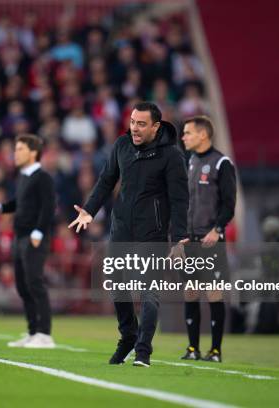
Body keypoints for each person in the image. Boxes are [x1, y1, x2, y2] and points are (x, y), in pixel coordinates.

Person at [68, 102, 189, 367]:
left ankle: (143, 351)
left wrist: (180, 238)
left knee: (149, 293)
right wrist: (89, 209)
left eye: (141, 124)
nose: (134, 128)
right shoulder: (122, 146)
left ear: (156, 127)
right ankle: (128, 337)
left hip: (152, 234)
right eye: (132, 122)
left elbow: (180, 200)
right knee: (116, 286)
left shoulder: (171, 156)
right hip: (121, 229)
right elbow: (106, 180)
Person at [0, 134, 56, 348]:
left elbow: (48, 207)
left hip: (33, 238)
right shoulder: (24, 177)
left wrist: (38, 233)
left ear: (33, 152)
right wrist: (1, 208)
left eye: (19, 149)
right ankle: (33, 331)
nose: (14, 153)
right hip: (20, 238)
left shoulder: (43, 177)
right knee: (22, 286)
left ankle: (45, 334)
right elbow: (19, 202)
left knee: (35, 284)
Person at [180, 115, 236, 363]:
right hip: (190, 240)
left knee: (214, 294)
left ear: (203, 135)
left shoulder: (222, 163)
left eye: (188, 133)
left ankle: (215, 350)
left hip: (210, 240)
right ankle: (193, 348)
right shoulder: (191, 161)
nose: (183, 137)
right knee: (190, 292)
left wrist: (218, 229)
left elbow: (229, 204)